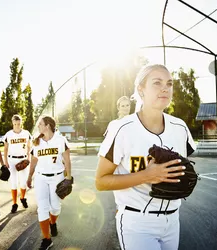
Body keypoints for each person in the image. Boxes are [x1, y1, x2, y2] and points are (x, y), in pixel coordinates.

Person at [95, 64, 196, 250]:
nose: (165, 88)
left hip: (173, 219)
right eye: (157, 83)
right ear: (140, 89)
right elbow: (101, 181)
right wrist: (147, 176)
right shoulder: (122, 128)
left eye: (169, 83)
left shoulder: (180, 127)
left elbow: (182, 168)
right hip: (137, 222)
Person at [27, 115, 73, 250]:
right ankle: (46, 240)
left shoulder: (60, 140)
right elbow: (34, 160)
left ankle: (53, 223)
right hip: (40, 178)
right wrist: (29, 176)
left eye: (40, 124)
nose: (38, 126)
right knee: (42, 208)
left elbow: (67, 161)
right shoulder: (37, 141)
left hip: (57, 177)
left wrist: (68, 178)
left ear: (47, 126)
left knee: (55, 207)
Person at [3, 114, 32, 213]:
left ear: (21, 123)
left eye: (19, 124)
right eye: (15, 124)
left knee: (23, 183)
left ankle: (23, 198)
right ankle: (14, 203)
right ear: (12, 123)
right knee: (14, 183)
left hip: (23, 160)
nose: (17, 126)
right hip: (12, 160)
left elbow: (29, 147)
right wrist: (5, 161)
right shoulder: (8, 134)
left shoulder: (26, 133)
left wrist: (28, 158)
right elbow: (5, 149)